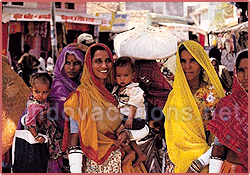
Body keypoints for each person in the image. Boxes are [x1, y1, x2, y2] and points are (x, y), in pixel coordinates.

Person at [63, 43, 147, 173]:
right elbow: (74, 137)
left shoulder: (117, 91)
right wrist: (75, 169)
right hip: (97, 165)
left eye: (108, 60)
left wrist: (128, 134)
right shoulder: (80, 96)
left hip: (124, 163)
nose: (104, 66)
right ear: (89, 65)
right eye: (98, 61)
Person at [162, 40, 225, 173]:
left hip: (206, 162)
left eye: (193, 60)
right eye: (183, 61)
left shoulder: (211, 95)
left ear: (201, 63)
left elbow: (220, 137)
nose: (187, 66)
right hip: (175, 161)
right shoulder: (175, 95)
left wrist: (199, 162)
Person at [207, 49, 248, 173]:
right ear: (235, 72)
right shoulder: (226, 105)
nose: (246, 77)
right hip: (232, 169)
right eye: (241, 70)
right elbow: (218, 149)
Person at [12, 73, 62, 173]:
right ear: (31, 90)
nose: (40, 95)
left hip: (49, 133)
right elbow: (30, 123)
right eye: (37, 91)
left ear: (50, 92)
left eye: (44, 92)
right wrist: (36, 136)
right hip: (38, 134)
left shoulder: (43, 101)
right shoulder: (33, 105)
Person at [48, 44, 85, 173]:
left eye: (76, 63)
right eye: (67, 63)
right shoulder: (53, 87)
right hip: (56, 148)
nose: (71, 68)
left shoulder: (86, 87)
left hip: (84, 145)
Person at [112, 56, 148, 166]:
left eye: (126, 75)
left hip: (136, 119)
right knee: (125, 135)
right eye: (119, 75)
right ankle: (139, 153)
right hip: (125, 118)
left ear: (133, 75)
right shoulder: (117, 88)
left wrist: (130, 119)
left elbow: (133, 105)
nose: (122, 79)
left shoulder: (135, 89)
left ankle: (129, 152)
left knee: (120, 131)